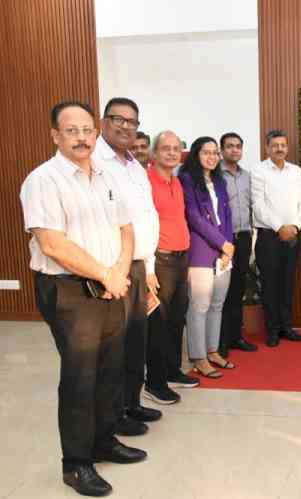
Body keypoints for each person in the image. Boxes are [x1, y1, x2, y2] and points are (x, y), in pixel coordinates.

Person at [20, 101, 146, 497]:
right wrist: (105, 273)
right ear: (55, 135)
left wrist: (119, 272)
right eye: (71, 130)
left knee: (111, 368)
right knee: (81, 376)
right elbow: (52, 243)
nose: (81, 137)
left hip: (112, 284)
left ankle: (104, 441)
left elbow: (126, 227)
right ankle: (75, 464)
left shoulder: (108, 174)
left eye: (87, 130)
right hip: (70, 290)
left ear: (97, 133)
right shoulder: (44, 180)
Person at [94, 97, 161, 437]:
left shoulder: (135, 165)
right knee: (114, 347)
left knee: (136, 341)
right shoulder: (94, 160)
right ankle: (114, 413)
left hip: (139, 266)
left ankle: (132, 403)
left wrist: (148, 266)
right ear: (104, 122)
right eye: (117, 119)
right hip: (114, 268)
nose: (125, 126)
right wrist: (113, 271)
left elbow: (146, 217)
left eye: (131, 121)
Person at [144, 131, 199, 404]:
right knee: (158, 323)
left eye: (176, 149)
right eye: (165, 148)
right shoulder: (145, 181)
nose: (171, 153)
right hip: (160, 261)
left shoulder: (176, 181)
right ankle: (154, 382)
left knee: (178, 319)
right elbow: (141, 226)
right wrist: (148, 268)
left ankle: (172, 370)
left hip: (180, 259)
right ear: (154, 153)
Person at [179, 137, 235, 378]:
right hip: (201, 249)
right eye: (206, 152)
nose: (212, 157)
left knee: (217, 304)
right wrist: (221, 242)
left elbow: (227, 214)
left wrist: (228, 246)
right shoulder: (187, 179)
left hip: (223, 251)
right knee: (199, 306)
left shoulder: (219, 181)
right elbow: (194, 217)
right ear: (196, 154)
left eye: (215, 153)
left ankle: (212, 350)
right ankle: (198, 356)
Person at [252, 130, 301, 347]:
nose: (279, 148)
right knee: (270, 285)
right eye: (275, 145)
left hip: (293, 234)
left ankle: (286, 326)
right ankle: (272, 330)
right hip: (269, 236)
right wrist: (279, 227)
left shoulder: (296, 171)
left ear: (287, 147)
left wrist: (294, 225)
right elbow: (258, 205)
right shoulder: (258, 171)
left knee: (287, 283)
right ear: (267, 148)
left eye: (283, 145)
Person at [219, 132, 258, 357]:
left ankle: (236, 337)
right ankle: (220, 341)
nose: (234, 150)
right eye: (230, 146)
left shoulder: (247, 176)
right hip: (223, 240)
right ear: (222, 150)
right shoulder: (216, 175)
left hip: (243, 237)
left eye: (238, 146)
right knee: (222, 291)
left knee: (237, 290)